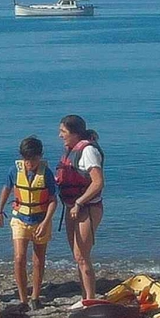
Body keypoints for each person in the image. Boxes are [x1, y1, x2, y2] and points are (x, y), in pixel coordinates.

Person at [0, 136, 59, 308]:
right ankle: (23, 299)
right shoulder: (14, 171)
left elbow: (53, 200)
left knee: (38, 259)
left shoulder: (46, 173)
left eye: (33, 159)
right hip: (20, 219)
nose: (30, 163)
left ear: (40, 156)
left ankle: (35, 297)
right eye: (26, 159)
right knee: (19, 257)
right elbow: (6, 189)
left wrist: (45, 222)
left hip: (41, 220)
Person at [54, 114, 105, 304]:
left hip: (87, 208)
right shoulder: (71, 151)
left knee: (82, 256)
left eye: (63, 132)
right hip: (71, 207)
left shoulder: (88, 151)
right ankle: (85, 298)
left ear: (75, 133)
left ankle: (90, 300)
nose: (60, 135)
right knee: (77, 256)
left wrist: (79, 202)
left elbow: (98, 182)